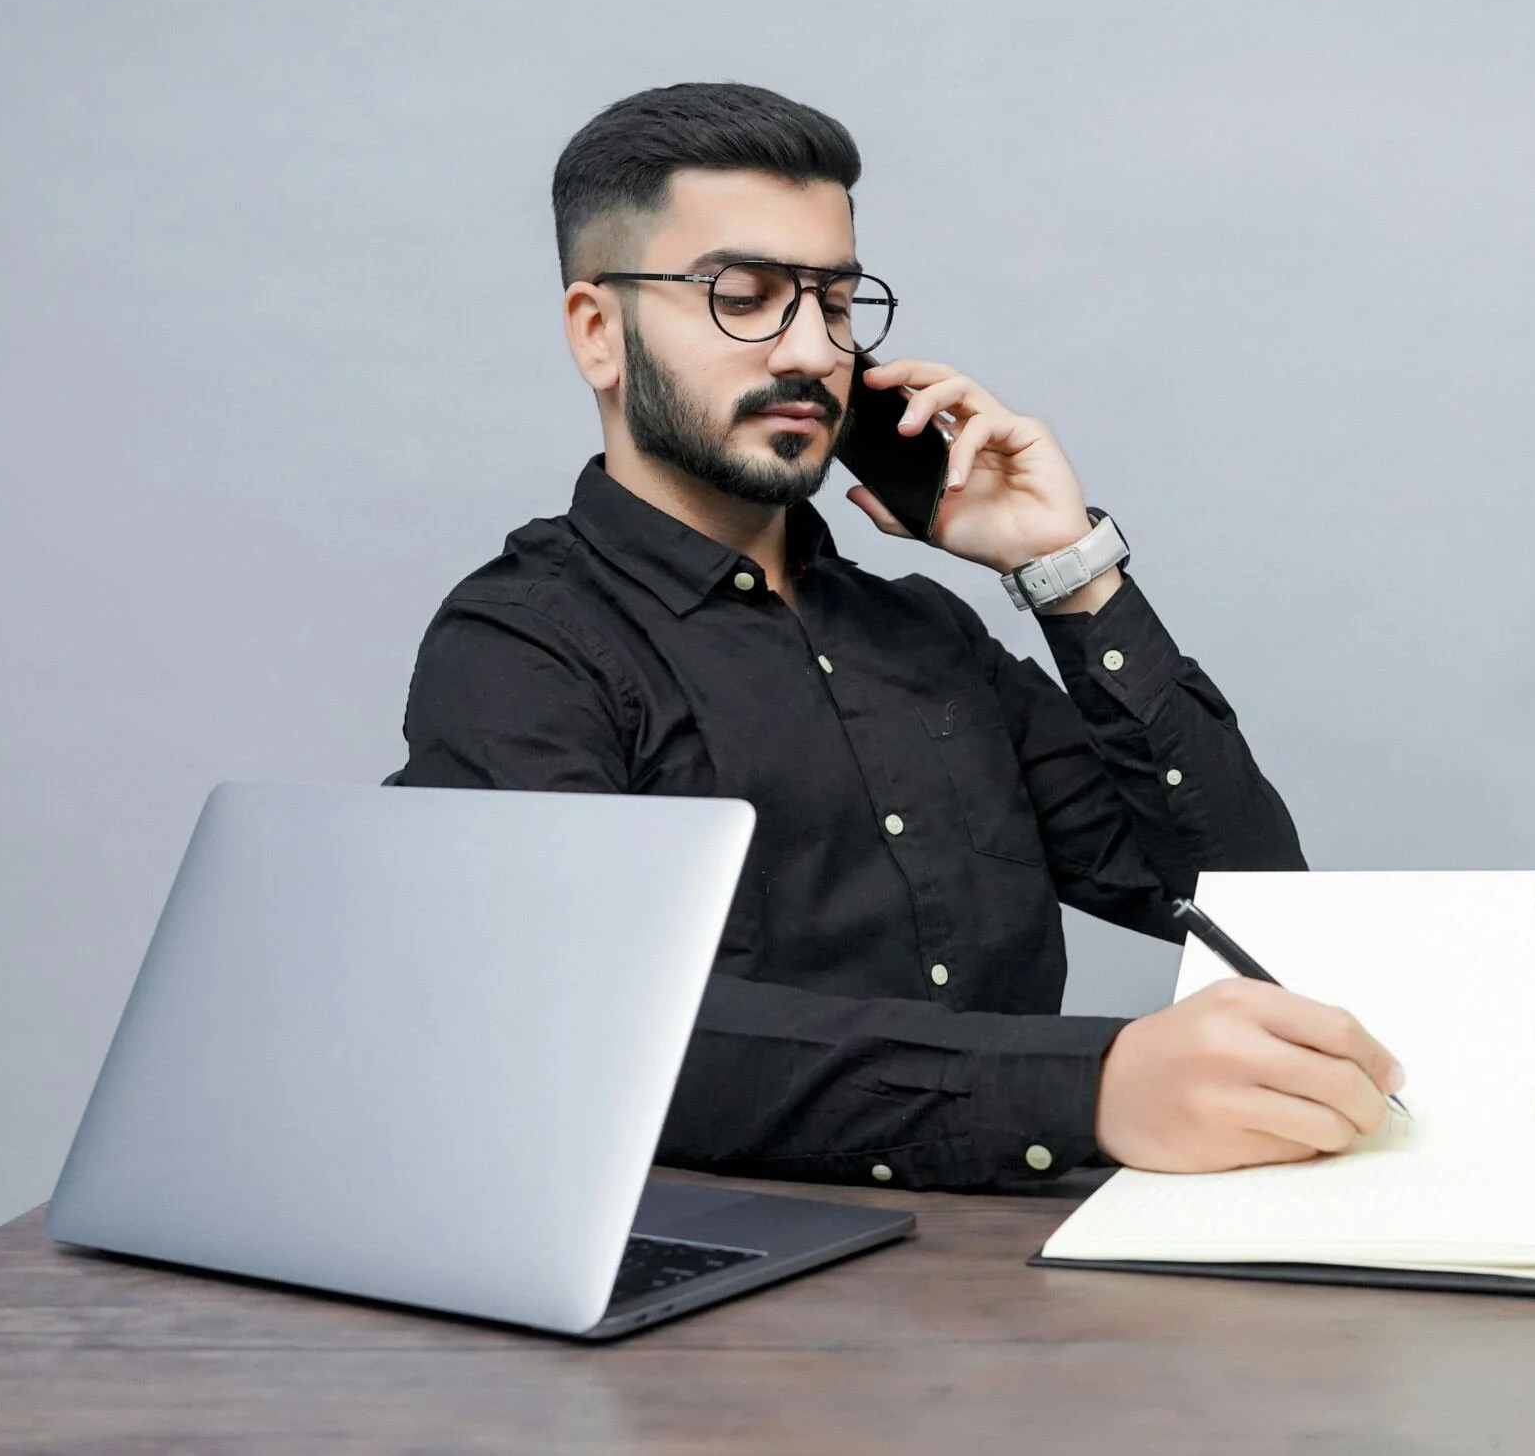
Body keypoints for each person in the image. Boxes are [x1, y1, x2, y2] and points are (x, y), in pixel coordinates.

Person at [392, 82, 1402, 1191]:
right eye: (744, 295)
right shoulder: (519, 648)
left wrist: (1066, 572)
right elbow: (593, 1036)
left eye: (835, 301)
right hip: (711, 1308)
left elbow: (1250, 895)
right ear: (598, 332)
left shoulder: (926, 634)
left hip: (1017, 1275)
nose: (814, 350)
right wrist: (1089, 1084)